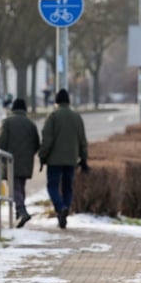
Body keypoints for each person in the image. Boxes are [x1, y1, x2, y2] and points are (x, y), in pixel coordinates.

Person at [38, 89, 89, 229]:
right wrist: (84, 158)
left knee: (52, 186)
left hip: (54, 160)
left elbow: (47, 140)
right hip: (71, 159)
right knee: (67, 187)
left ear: (57, 102)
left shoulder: (52, 117)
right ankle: (65, 209)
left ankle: (60, 207)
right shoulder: (77, 117)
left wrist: (43, 156)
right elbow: (82, 140)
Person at [0, 98, 40, 228]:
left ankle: (22, 211)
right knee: (20, 187)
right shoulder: (31, 124)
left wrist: (1, 156)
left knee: (15, 188)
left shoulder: (7, 122)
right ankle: (19, 213)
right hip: (26, 161)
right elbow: (37, 143)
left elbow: (1, 142)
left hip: (11, 160)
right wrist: (28, 155)